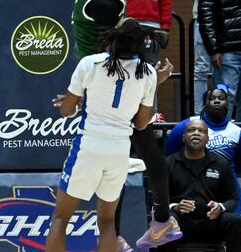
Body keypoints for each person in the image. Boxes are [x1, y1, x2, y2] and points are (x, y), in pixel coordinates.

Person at [84, 0, 178, 251]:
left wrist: (146, 79)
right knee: (142, 149)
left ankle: (118, 234)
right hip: (115, 70)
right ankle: (160, 220)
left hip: (104, 76)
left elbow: (123, 41)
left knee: (117, 158)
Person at [46, 18, 158, 252]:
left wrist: (75, 104)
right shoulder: (148, 72)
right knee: (107, 222)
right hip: (119, 151)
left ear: (115, 36)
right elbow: (140, 124)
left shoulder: (91, 63)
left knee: (61, 218)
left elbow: (66, 111)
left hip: (89, 144)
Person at [164, 119, 241, 252]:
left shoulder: (221, 163)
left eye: (201, 131)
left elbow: (233, 199)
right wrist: (175, 207)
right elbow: (159, 200)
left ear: (207, 138)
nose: (196, 133)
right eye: (191, 130)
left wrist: (220, 207)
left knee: (235, 221)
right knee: (166, 222)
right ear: (184, 137)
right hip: (181, 223)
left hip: (211, 221)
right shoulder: (169, 163)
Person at [164, 85, 241, 215]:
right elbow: (170, 153)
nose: (216, 101)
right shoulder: (187, 125)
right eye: (212, 98)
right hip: (190, 183)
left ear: (228, 104)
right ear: (204, 104)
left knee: (231, 225)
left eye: (221, 98)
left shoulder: (238, 133)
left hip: (226, 186)